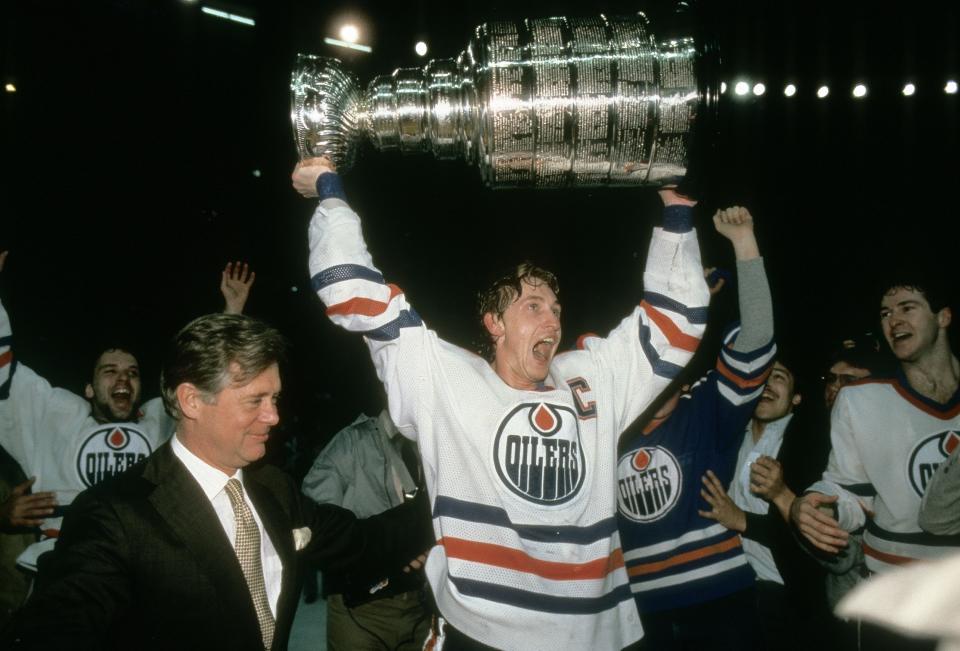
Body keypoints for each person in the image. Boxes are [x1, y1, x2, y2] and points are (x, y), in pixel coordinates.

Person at [292, 157, 710, 650]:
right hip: (481, 634)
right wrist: (331, 192)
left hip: (592, 636)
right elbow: (351, 289)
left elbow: (677, 322)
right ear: (495, 323)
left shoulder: (592, 377)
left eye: (556, 309)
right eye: (532, 306)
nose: (552, 321)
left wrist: (676, 215)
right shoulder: (446, 379)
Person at [1, 313, 432, 651]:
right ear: (191, 400)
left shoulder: (274, 490)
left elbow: (364, 541)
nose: (274, 416)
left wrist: (452, 492)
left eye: (275, 397)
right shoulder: (113, 514)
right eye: (255, 401)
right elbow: (58, 626)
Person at [0, 254, 255, 569]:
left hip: (149, 572)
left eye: (132, 373)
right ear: (89, 389)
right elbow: (4, 376)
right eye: (110, 371)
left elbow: (208, 380)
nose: (123, 378)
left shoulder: (162, 422)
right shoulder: (55, 420)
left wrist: (231, 313)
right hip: (71, 568)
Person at [615, 205, 776, 650]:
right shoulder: (606, 424)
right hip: (642, 614)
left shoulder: (706, 407)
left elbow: (757, 336)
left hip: (722, 602)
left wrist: (744, 243)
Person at [789, 277, 960, 571]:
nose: (894, 320)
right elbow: (853, 494)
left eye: (907, 308)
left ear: (943, 317)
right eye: (886, 313)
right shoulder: (859, 399)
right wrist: (815, 505)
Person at [700, 355, 833, 650]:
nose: (767, 385)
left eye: (779, 378)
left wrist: (741, 520)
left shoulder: (811, 441)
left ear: (796, 398)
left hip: (787, 593)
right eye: (762, 377)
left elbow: (811, 530)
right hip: (736, 587)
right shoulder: (732, 437)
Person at [302, 409, 430, 651]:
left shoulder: (433, 445)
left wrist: (429, 548)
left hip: (419, 607)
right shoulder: (350, 443)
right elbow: (315, 527)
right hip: (361, 612)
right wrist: (386, 554)